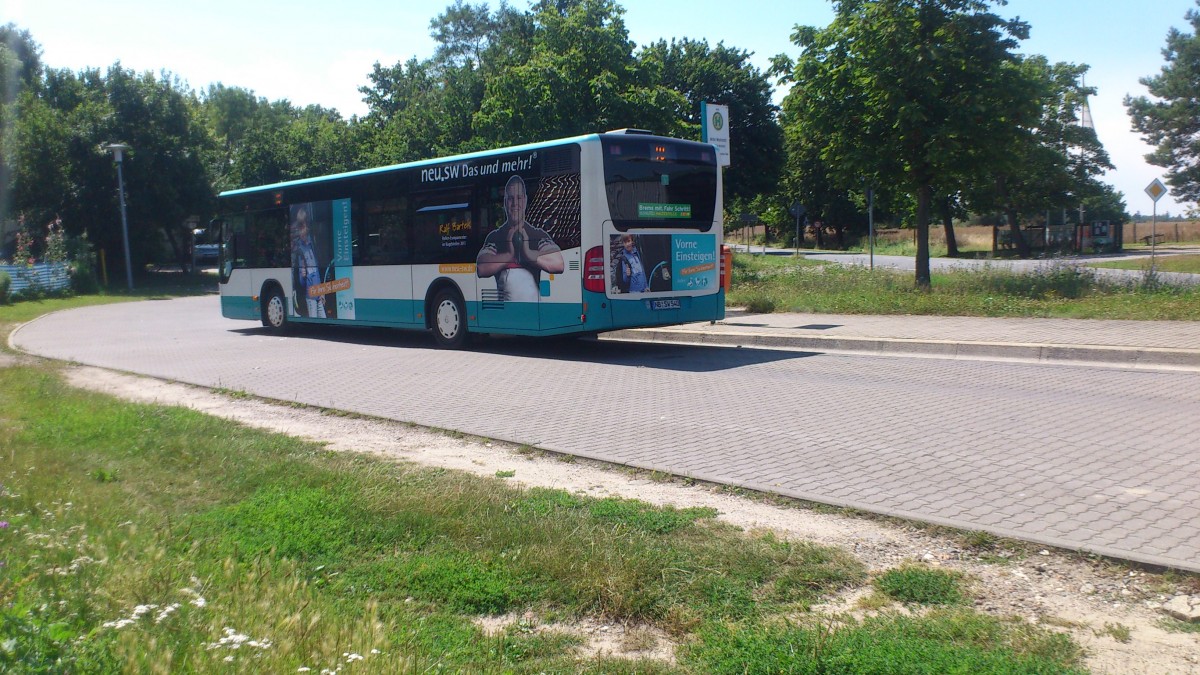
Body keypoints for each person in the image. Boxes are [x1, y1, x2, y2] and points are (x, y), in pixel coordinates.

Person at [476, 175, 564, 301]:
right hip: (506, 313)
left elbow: (558, 264)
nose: (515, 203)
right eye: (511, 199)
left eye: (519, 198)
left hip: (534, 312)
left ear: (525, 200)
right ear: (505, 202)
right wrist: (509, 254)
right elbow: (481, 268)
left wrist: (528, 253)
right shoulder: (495, 237)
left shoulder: (537, 235)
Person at [291, 205, 326, 318]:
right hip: (311, 295)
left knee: (323, 319)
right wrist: (303, 274)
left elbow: (317, 273)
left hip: (318, 293)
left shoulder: (312, 247)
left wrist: (322, 292)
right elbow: (302, 281)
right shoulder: (301, 250)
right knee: (315, 320)